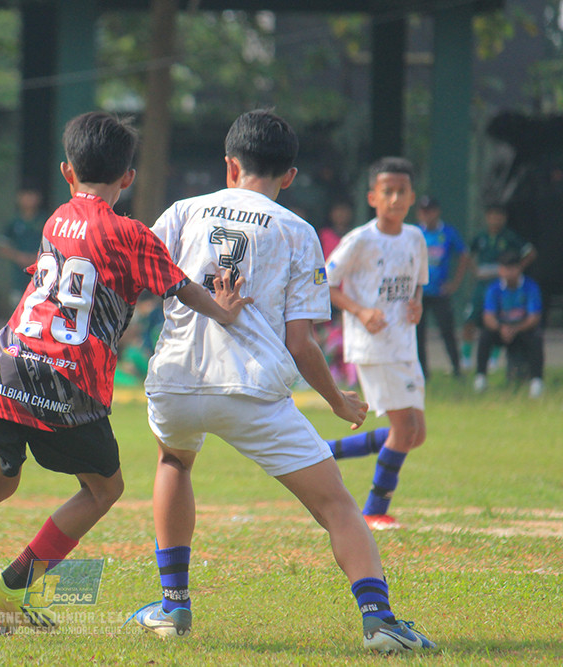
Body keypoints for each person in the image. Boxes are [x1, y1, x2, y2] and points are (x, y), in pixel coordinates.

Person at [0, 111, 251, 628]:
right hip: (66, 385)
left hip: (3, 368)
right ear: (128, 177)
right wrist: (224, 310)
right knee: (104, 489)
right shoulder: (131, 234)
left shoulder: (56, 219)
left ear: (66, 171)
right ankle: (10, 589)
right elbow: (180, 285)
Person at [130, 111, 435, 654]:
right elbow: (301, 343)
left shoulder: (182, 212)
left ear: (230, 165)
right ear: (289, 176)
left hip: (175, 381)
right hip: (251, 390)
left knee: (175, 461)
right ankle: (379, 620)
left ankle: (173, 606)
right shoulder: (296, 231)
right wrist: (337, 399)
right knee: (339, 508)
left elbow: (138, 277)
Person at [326, 156, 429, 532]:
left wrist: (416, 302)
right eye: (388, 191)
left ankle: (325, 451)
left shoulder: (415, 237)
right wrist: (361, 311)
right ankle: (374, 509)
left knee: (415, 434)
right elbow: (326, 283)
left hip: (405, 343)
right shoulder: (360, 240)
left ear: (412, 196)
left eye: (402, 191)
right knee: (404, 432)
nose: (396, 198)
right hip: (374, 345)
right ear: (373, 197)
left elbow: (416, 282)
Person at [460, 204, 536, 371]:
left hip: (500, 285)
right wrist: (476, 271)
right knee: (470, 319)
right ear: (487, 217)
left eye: (499, 216)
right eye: (492, 215)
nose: (495, 219)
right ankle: (465, 358)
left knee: (499, 318)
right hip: (483, 284)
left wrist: (515, 269)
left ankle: (493, 360)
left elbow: (530, 252)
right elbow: (466, 254)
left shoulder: (509, 237)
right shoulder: (481, 237)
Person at [473, 250, 545, 398]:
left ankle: (536, 381)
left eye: (512, 268)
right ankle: (481, 378)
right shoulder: (494, 289)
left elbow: (534, 317)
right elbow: (488, 317)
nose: (508, 272)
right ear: (500, 270)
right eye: (505, 268)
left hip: (522, 329)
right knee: (485, 336)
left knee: (536, 338)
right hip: (501, 329)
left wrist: (516, 329)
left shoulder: (530, 287)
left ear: (519, 268)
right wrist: (501, 328)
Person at [414, 196, 468, 378]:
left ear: (436, 212)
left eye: (429, 211)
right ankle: (423, 373)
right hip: (419, 292)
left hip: (439, 291)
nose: (426, 215)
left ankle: (457, 368)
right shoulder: (415, 233)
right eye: (423, 211)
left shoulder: (448, 232)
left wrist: (455, 283)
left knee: (447, 331)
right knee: (418, 334)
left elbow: (463, 255)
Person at [318, 198, 358, 388]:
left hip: (349, 297)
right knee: (330, 339)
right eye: (337, 210)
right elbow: (317, 266)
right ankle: (330, 377)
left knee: (347, 339)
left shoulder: (355, 236)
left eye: (344, 210)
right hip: (327, 295)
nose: (341, 215)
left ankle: (351, 378)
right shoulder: (323, 236)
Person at [0, 180, 47, 304]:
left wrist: (36, 258)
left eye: (32, 195)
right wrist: (19, 257)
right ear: (18, 197)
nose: (29, 199)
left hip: (42, 275)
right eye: (25, 195)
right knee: (18, 309)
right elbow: (2, 246)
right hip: (19, 276)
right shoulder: (14, 222)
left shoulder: (46, 220)